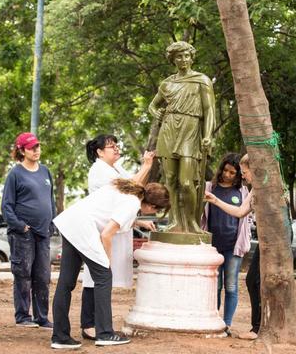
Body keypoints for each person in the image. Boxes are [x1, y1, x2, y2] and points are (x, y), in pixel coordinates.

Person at [51, 179, 170, 349]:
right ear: (152, 207)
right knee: (105, 277)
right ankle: (105, 333)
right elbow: (106, 235)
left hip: (71, 223)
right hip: (83, 229)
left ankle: (60, 337)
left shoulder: (128, 191)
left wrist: (138, 223)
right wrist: (106, 261)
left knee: (66, 283)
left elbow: (107, 214)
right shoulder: (132, 204)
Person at [80, 134, 156, 340]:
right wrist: (147, 166)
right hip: (101, 230)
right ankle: (89, 325)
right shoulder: (99, 170)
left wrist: (138, 222)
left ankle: (97, 324)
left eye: (116, 145)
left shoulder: (115, 168)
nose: (116, 149)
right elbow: (132, 187)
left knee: (101, 279)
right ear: (99, 152)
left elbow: (130, 193)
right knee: (94, 277)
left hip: (112, 228)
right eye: (110, 146)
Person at [148, 41, 215, 234]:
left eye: (186, 56)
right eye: (179, 56)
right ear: (173, 59)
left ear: (192, 57)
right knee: (171, 180)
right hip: (169, 129)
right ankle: (174, 221)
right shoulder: (167, 83)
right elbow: (152, 106)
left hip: (190, 130)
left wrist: (208, 135)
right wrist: (156, 113)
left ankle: (192, 222)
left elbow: (209, 109)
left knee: (186, 182)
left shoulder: (202, 80)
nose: (183, 60)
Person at [2, 132, 56, 328]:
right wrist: (20, 226)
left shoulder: (45, 172)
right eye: (32, 147)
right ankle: (23, 316)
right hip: (23, 234)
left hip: (43, 233)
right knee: (23, 275)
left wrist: (52, 223)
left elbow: (51, 200)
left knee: (43, 276)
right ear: (22, 150)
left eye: (38, 146)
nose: (36, 150)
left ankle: (41, 317)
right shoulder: (15, 174)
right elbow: (6, 206)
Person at [204, 154, 259, 340]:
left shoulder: (243, 191)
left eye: (234, 172)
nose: (228, 175)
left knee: (231, 286)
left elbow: (242, 215)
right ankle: (215, 320)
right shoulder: (210, 188)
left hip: (233, 247)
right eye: (226, 170)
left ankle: (227, 323)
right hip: (213, 246)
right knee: (215, 286)